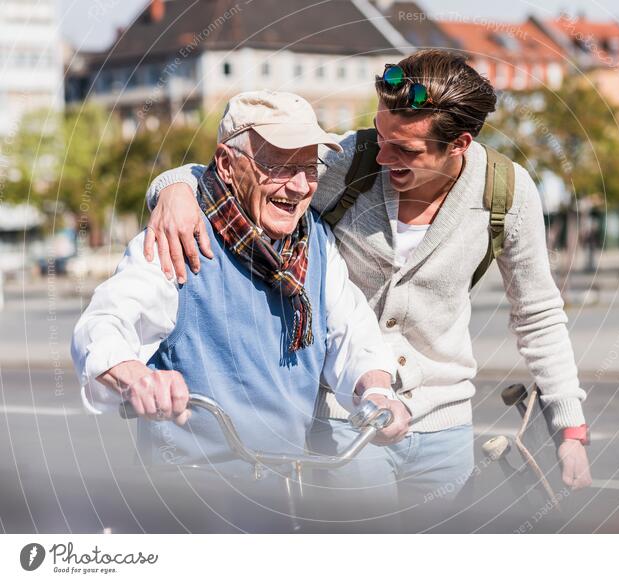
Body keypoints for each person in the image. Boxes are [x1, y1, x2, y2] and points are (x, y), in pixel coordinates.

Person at [141, 50, 592, 526]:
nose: (383, 155)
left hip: (446, 422)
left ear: (459, 143)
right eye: (380, 136)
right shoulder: (350, 163)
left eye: (406, 150)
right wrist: (172, 189)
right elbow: (237, 170)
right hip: (344, 416)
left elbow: (538, 315)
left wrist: (569, 428)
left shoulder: (507, 193)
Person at [70, 91, 405, 527]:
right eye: (280, 166)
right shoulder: (182, 237)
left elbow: (351, 332)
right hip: (188, 494)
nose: (300, 186)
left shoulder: (315, 241)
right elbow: (104, 323)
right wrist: (137, 377)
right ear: (227, 166)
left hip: (286, 489)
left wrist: (376, 391)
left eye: (308, 167)